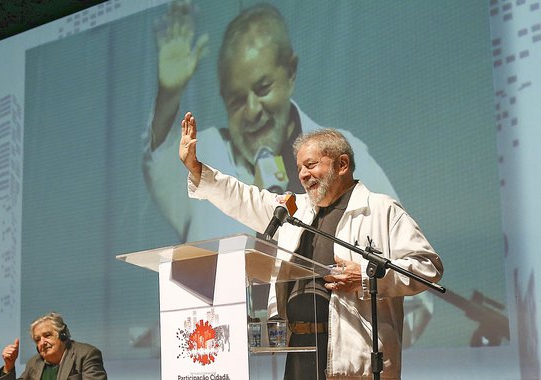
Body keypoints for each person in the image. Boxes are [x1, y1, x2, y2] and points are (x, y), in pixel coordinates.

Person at [179, 112, 444, 379]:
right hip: (299, 349)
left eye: (311, 165)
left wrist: (364, 275)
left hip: (352, 356)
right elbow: (244, 198)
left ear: (342, 164)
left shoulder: (380, 209)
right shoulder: (293, 210)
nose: (304, 175)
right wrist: (197, 168)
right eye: (300, 169)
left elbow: (426, 268)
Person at [143, 1, 399, 243]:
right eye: (237, 100)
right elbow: (160, 161)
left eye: (263, 88)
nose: (252, 110)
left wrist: (364, 278)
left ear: (291, 73)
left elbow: (414, 268)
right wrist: (169, 93)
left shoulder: (341, 154)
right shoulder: (210, 150)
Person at [0, 312, 107, 380]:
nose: (42, 342)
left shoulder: (86, 354)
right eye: (37, 339)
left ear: (63, 335)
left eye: (47, 335)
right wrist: (9, 365)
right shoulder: (34, 363)